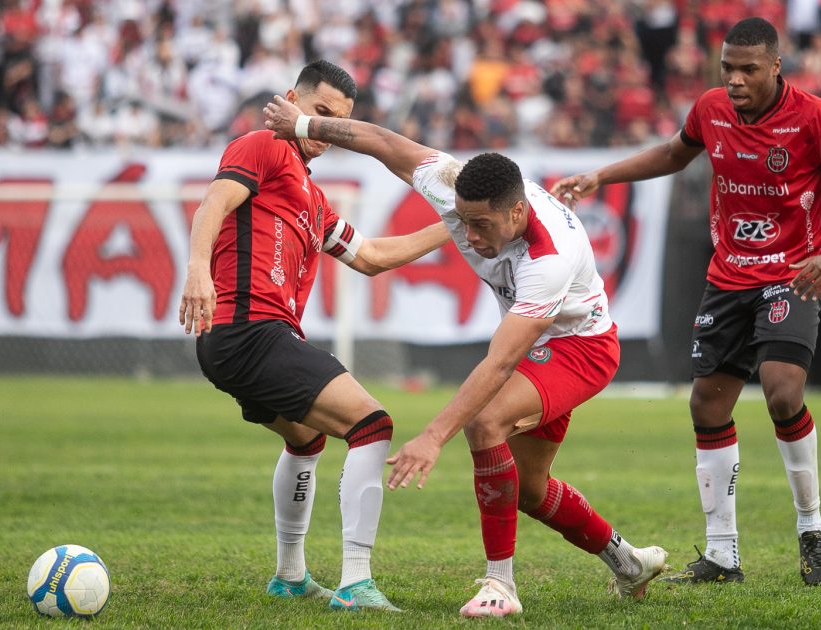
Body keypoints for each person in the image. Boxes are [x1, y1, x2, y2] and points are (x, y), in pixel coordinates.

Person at [263, 96, 668, 618]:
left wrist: (433, 436)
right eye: (464, 221)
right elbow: (383, 143)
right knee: (527, 489)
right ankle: (629, 562)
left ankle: (501, 586)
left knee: (485, 422)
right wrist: (301, 123)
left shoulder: (550, 258)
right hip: (541, 345)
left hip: (581, 349)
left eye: (482, 225)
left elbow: (500, 364)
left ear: (518, 212)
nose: (470, 237)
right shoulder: (448, 182)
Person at [551, 17, 821, 587]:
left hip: (791, 276)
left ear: (776, 66)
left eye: (748, 69)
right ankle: (722, 556)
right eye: (727, 67)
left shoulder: (818, 118)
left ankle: (811, 530)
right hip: (728, 277)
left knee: (782, 392)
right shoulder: (709, 109)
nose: (734, 79)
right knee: (707, 406)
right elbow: (675, 154)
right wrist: (601, 176)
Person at [178, 60, 450, 612]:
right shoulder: (263, 145)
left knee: (306, 440)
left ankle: (290, 575)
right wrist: (197, 271)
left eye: (337, 123)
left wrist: (456, 224)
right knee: (373, 425)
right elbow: (213, 202)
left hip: (238, 340)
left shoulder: (311, 196)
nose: (326, 131)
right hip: (249, 329)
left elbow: (370, 257)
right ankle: (356, 583)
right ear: (292, 100)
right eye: (320, 113)